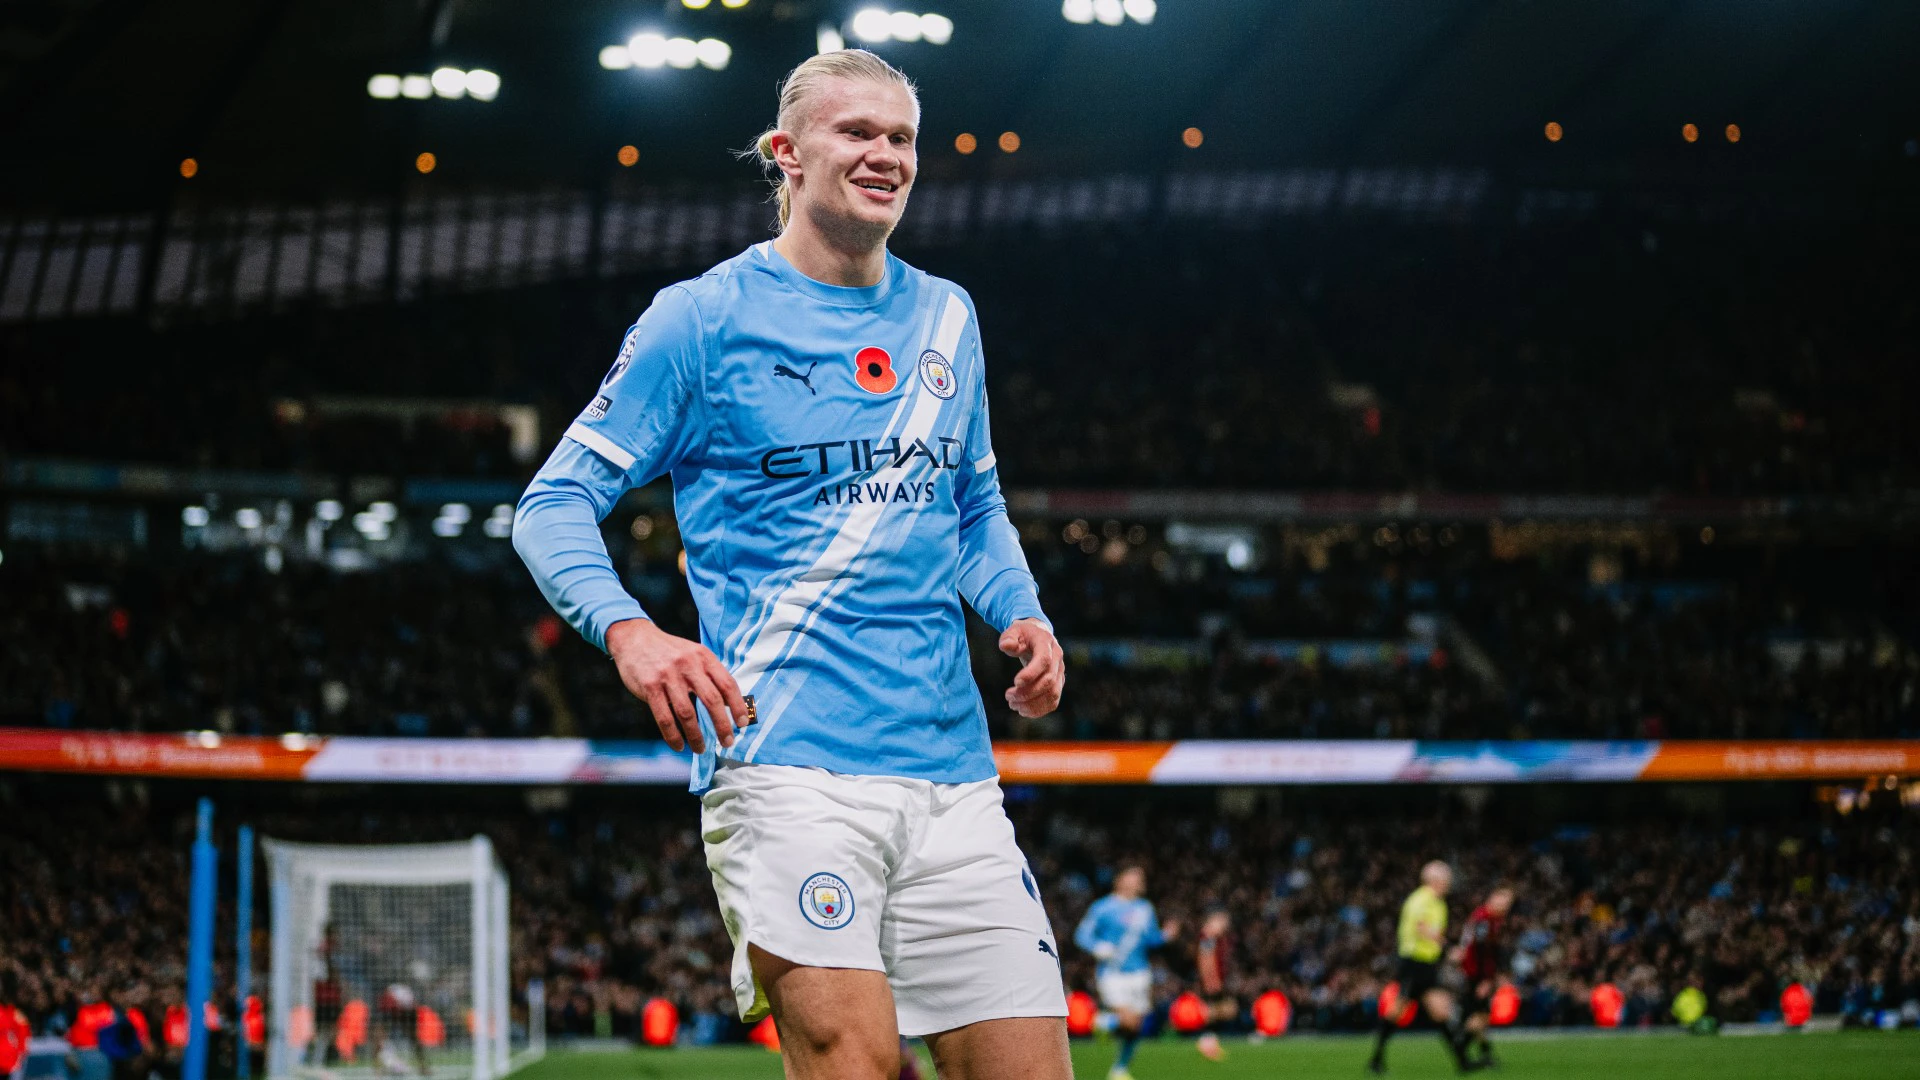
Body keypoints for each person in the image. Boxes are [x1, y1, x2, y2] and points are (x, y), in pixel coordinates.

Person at [513, 48, 1070, 1080]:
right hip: (787, 765)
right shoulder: (702, 319)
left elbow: (973, 504)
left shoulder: (950, 316)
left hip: (954, 775)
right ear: (788, 154)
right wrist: (631, 635)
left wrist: (1020, 612)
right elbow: (551, 507)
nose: (885, 155)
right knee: (852, 1062)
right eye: (857, 132)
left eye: (902, 138)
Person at [1367, 861, 1480, 1074]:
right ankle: (1376, 1060)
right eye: (1446, 879)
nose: (1449, 883)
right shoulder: (1421, 899)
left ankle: (1463, 1062)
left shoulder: (1438, 902)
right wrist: (1448, 949)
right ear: (1435, 880)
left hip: (1427, 964)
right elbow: (1422, 929)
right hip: (1414, 963)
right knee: (1401, 1011)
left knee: (1439, 1012)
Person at [1074, 866, 1179, 1080]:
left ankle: (1119, 1069)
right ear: (1120, 880)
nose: (1140, 881)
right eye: (1134, 876)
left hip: (1140, 972)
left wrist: (1165, 936)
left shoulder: (1145, 908)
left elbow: (1150, 939)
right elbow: (1081, 934)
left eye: (1141, 877)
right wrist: (1098, 947)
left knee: (1136, 1026)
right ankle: (1103, 1022)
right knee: (1128, 1020)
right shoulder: (1103, 907)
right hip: (1113, 973)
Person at [1455, 885, 1513, 1067]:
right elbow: (1480, 950)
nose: (1505, 906)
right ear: (1493, 897)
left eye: (1508, 903)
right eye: (1502, 900)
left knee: (1480, 1016)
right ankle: (1460, 1046)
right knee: (1479, 1016)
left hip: (1476, 973)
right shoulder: (1484, 919)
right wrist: (1486, 979)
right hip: (1476, 974)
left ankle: (1485, 1053)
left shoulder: (1490, 918)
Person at [1192, 908, 1235, 1062]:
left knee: (1223, 1010)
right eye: (1222, 921)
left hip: (1215, 979)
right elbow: (1205, 959)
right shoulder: (1208, 936)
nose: (1225, 925)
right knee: (1220, 1010)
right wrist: (1211, 980)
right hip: (1211, 980)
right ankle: (1206, 1042)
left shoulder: (1215, 937)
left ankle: (1209, 1043)